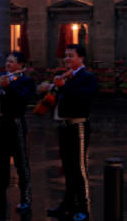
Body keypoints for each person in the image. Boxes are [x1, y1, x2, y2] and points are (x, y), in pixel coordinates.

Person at [37, 44, 97, 221]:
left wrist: (62, 87)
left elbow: (82, 98)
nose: (67, 59)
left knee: (79, 168)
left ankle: (84, 208)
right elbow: (57, 97)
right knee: (68, 168)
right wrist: (47, 89)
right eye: (66, 56)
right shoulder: (68, 77)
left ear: (81, 58)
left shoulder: (88, 77)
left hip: (77, 125)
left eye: (71, 56)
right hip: (63, 125)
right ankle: (68, 204)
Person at [0, 50, 36, 214]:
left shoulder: (26, 81)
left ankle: (25, 199)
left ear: (21, 65)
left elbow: (22, 100)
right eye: (7, 61)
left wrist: (8, 87)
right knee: (0, 164)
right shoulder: (0, 79)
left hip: (14, 123)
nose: (8, 64)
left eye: (11, 62)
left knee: (20, 162)